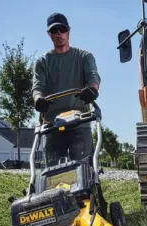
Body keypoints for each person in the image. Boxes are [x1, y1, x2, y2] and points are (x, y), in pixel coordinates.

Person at [32, 12, 101, 167]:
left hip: (80, 121)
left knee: (84, 169)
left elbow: (93, 76)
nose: (59, 34)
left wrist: (92, 90)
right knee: (53, 173)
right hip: (52, 125)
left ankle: (88, 190)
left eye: (62, 30)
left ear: (68, 30)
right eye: (54, 31)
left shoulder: (83, 57)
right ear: (49, 34)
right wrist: (38, 99)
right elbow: (38, 87)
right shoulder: (43, 62)